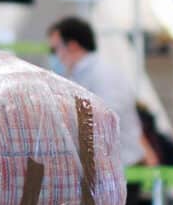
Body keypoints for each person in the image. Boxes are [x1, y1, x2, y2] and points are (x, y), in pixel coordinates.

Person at [47, 17, 147, 169]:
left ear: (73, 46)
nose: (55, 56)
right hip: (104, 167)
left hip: (121, 168)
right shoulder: (78, 76)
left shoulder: (104, 74)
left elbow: (108, 117)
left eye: (55, 49)